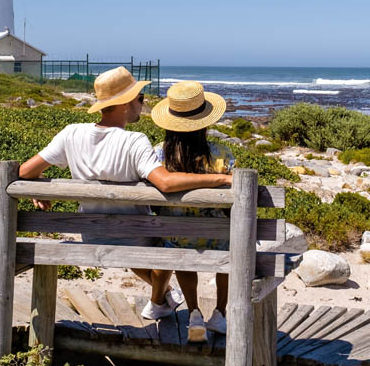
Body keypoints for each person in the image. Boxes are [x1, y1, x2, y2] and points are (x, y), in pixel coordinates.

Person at [18, 67, 232, 320]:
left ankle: (163, 300)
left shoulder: (71, 133)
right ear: (124, 104)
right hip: (136, 237)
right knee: (167, 243)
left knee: (164, 239)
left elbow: (24, 171)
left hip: (92, 235)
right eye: (140, 99)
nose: (142, 104)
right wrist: (221, 178)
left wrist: (39, 183)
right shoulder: (134, 141)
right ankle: (161, 300)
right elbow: (164, 183)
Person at [150, 80, 233, 343]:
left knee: (178, 245)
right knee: (233, 240)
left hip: (176, 238)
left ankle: (194, 312)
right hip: (220, 239)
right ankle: (220, 313)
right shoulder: (221, 154)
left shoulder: (157, 156)